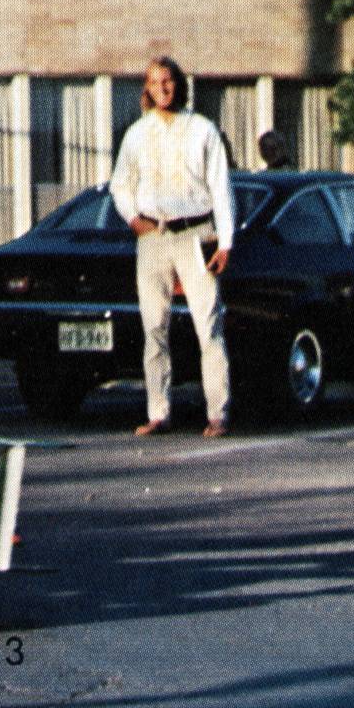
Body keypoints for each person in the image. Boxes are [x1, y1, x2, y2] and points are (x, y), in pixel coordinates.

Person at [108, 55, 234, 438]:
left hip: (196, 234)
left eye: (169, 81)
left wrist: (225, 242)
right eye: (155, 81)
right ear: (146, 88)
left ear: (179, 84)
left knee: (208, 326)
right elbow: (120, 185)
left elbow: (220, 188)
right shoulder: (137, 134)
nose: (162, 87)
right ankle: (159, 412)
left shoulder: (202, 130)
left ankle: (218, 413)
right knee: (154, 327)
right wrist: (134, 219)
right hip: (154, 238)